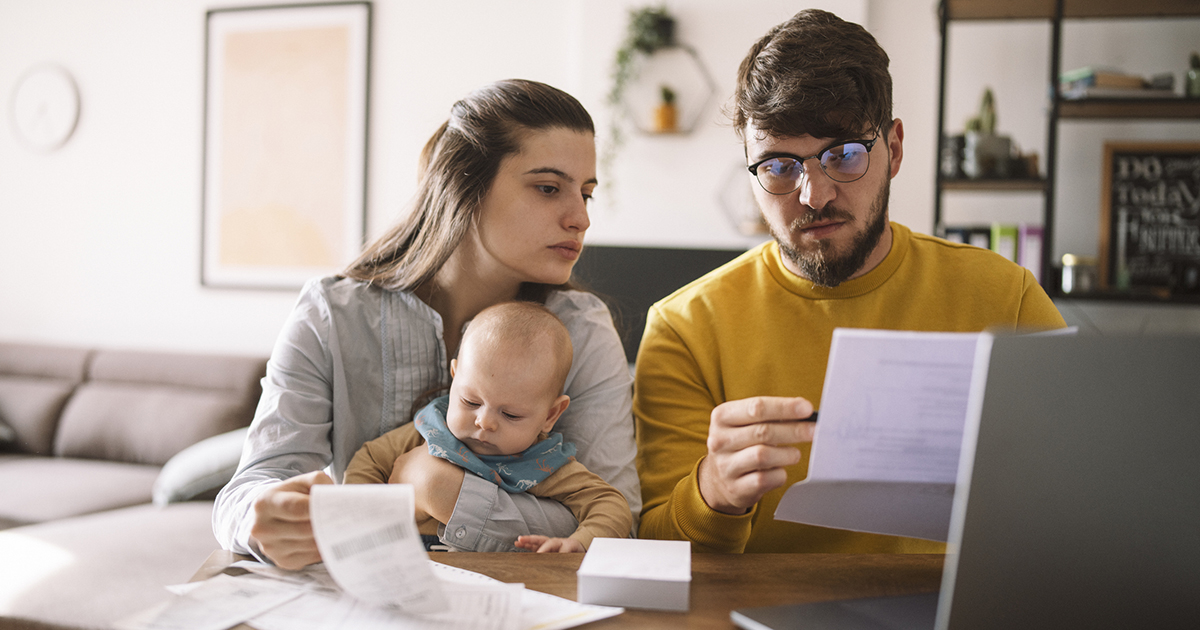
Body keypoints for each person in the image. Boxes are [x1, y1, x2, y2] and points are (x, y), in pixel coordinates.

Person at [633, 9, 1066, 554]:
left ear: (896, 150)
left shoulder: (1008, 298)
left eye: (843, 155)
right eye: (779, 166)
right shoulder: (683, 328)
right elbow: (653, 553)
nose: (814, 195)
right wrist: (713, 493)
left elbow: (1083, 495)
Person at [214, 79, 641, 570]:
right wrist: (260, 519)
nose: (581, 218)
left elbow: (619, 519)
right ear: (464, 187)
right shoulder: (331, 315)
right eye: (548, 188)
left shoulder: (582, 331)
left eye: (586, 193)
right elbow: (246, 492)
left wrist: (440, 490)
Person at [345, 301, 632, 553]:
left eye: (510, 414)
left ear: (550, 415)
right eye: (470, 401)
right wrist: (359, 520)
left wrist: (581, 541)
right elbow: (369, 460)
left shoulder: (543, 463)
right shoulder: (431, 429)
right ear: (455, 377)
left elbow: (611, 505)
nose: (484, 422)